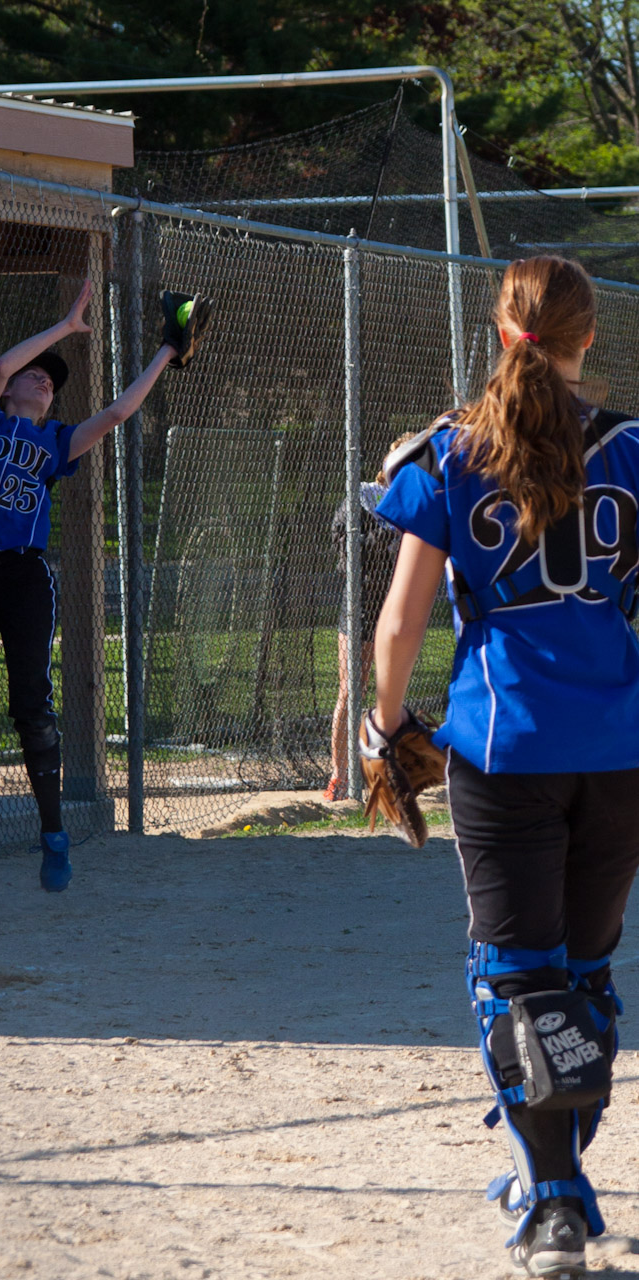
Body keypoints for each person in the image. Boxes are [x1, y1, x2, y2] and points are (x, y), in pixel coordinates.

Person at [367, 256, 639, 1277]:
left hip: (504, 743)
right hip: (618, 751)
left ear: (500, 330)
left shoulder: (448, 450)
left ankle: (553, 1201)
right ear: (587, 335)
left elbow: (401, 622)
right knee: (584, 977)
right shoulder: (632, 450)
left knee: (515, 978)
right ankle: (555, 1179)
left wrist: (383, 728)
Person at [0, 278, 206, 897]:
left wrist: (167, 352)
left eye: (52, 382)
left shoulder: (54, 441)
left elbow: (117, 413)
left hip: (23, 580)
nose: (44, 381)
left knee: (31, 708)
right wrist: (66, 328)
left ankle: (54, 835)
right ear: (10, 388)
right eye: (35, 375)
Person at [324, 435, 415, 802]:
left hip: (396, 604)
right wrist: (383, 537)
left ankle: (384, 771)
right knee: (351, 688)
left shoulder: (415, 501)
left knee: (390, 691)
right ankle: (340, 775)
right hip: (361, 603)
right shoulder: (364, 495)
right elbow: (346, 545)